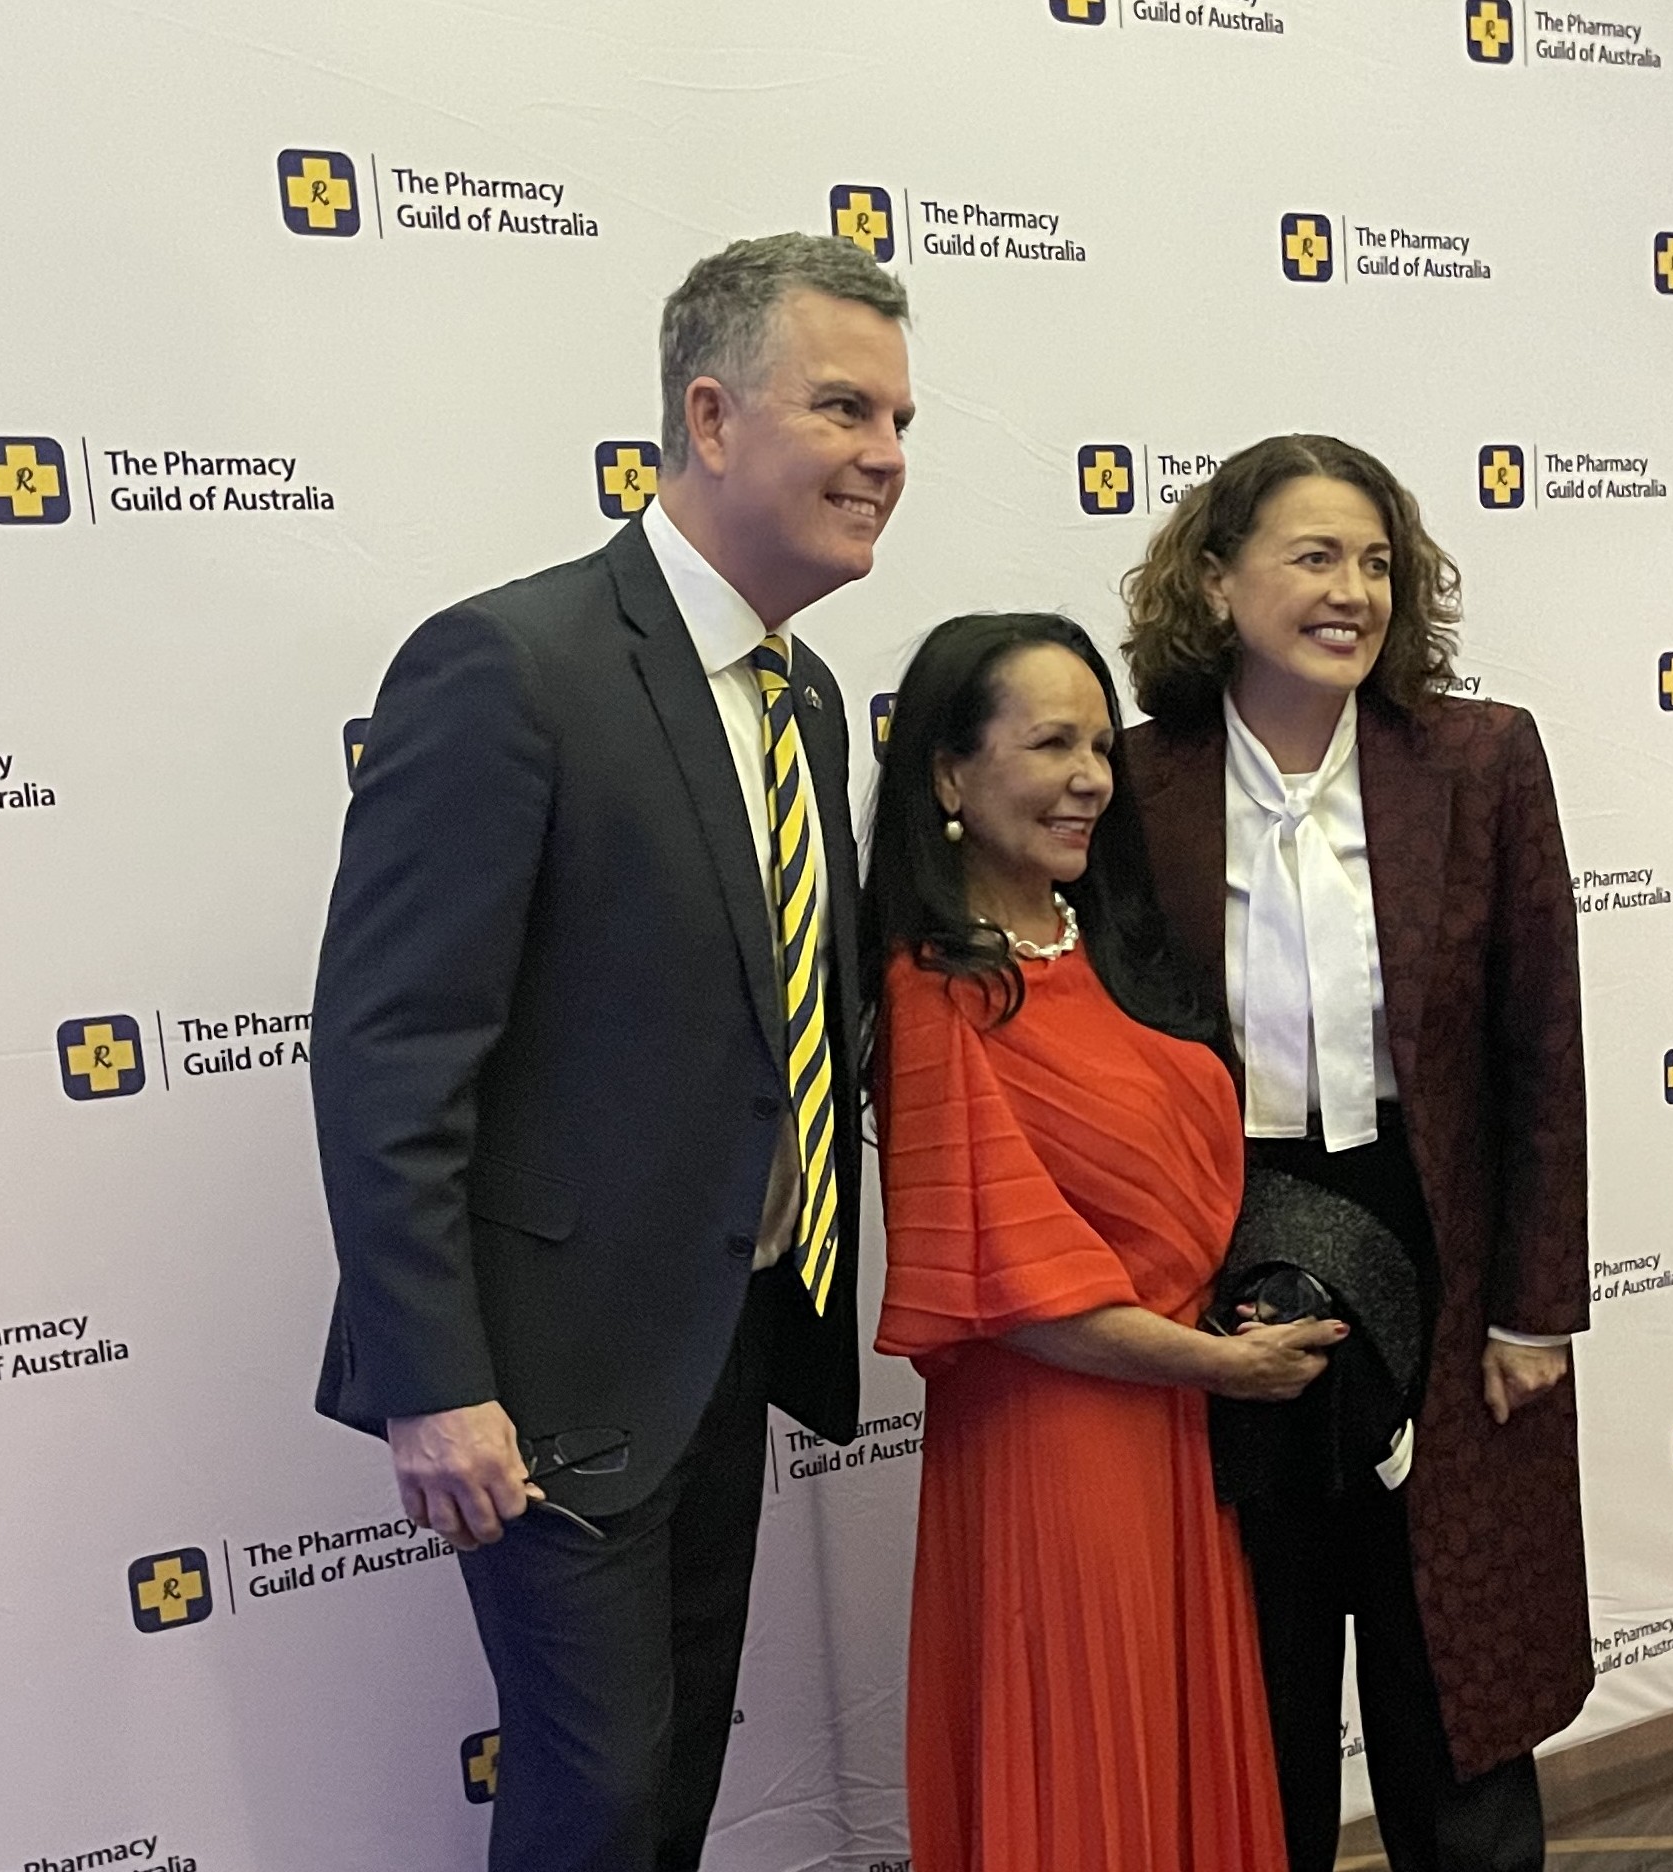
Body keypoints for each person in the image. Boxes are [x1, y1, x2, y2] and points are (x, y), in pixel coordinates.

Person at [308, 233, 915, 1872]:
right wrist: (434, 1380)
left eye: (902, 422)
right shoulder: (510, 666)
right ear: (709, 419)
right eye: (845, 408)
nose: (886, 458)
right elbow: (387, 1054)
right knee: (596, 1805)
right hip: (548, 1373)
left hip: (723, 1340)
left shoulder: (798, 694)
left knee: (667, 1795)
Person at [1119, 434, 1593, 1872]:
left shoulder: (1480, 757)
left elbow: (1541, 1049)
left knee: (1452, 1687)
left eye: (1377, 561)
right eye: (1315, 556)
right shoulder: (1141, 783)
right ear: (1216, 578)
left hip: (1438, 1247)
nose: (1354, 591)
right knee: (1253, 1698)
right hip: (1224, 1262)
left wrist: (1535, 1306)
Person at [864, 612, 1343, 1872]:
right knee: (1085, 1786)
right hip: (1054, 1458)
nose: (1089, 776)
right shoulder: (933, 988)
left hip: (1178, 1434)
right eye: (1048, 745)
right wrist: (1221, 1369)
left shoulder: (1112, 946)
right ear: (948, 776)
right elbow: (1010, 1295)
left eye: (1097, 745)